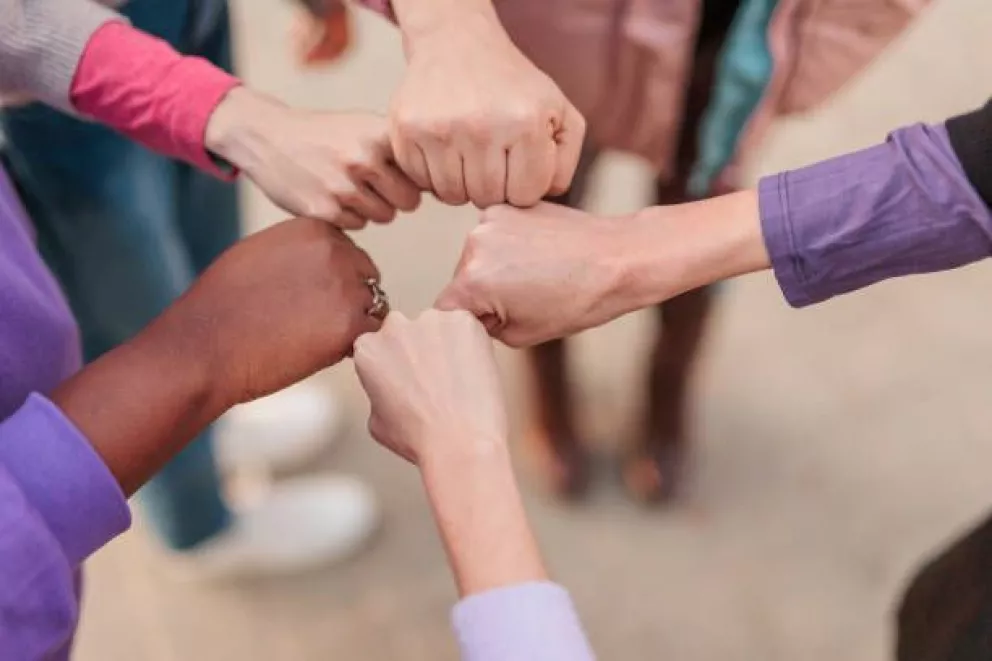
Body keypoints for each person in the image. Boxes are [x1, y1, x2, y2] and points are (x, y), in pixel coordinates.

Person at [356, 0, 930, 501]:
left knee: (704, 222)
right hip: (556, 28)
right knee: (538, 207)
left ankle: (668, 391)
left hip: (729, 32)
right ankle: (547, 384)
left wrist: (814, 50)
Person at [1, 0, 396, 578]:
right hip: (50, 77)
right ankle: (201, 525)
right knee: (138, 320)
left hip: (180, 15)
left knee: (205, 236)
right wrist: (231, 117)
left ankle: (218, 429)